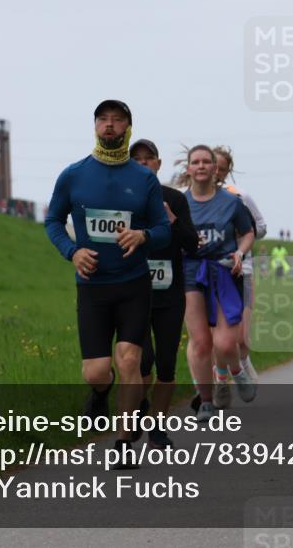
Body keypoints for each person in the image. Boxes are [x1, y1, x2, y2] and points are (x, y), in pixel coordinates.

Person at [44, 100, 171, 465]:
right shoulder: (74, 174)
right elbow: (52, 220)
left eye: (117, 120)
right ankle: (100, 392)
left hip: (133, 284)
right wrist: (72, 251)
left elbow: (163, 229)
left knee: (129, 359)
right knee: (97, 370)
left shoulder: (144, 179)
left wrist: (143, 237)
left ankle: (124, 441)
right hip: (93, 286)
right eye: (103, 120)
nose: (110, 126)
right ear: (95, 126)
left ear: (128, 127)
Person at [129, 138, 199, 448]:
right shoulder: (123, 201)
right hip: (134, 292)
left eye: (149, 159)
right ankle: (139, 410)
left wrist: (172, 221)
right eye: (137, 160)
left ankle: (157, 428)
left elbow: (192, 243)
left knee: (167, 363)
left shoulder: (174, 199)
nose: (143, 164)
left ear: (158, 164)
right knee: (143, 362)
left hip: (170, 293)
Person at [182, 145, 256, 421]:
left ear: (215, 169)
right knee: (201, 343)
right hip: (191, 274)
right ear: (188, 169)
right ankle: (206, 401)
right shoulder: (179, 204)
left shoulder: (231, 202)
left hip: (225, 273)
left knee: (226, 344)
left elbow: (248, 232)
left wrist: (239, 252)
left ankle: (237, 372)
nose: (200, 166)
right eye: (195, 162)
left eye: (206, 162)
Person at [212, 146, 267, 402]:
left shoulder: (239, 196)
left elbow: (260, 227)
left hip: (240, 270)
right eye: (212, 166)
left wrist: (241, 234)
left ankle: (243, 362)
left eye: (221, 169)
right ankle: (220, 378)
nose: (215, 173)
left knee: (240, 336)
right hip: (208, 273)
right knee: (219, 334)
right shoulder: (193, 198)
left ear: (226, 171)